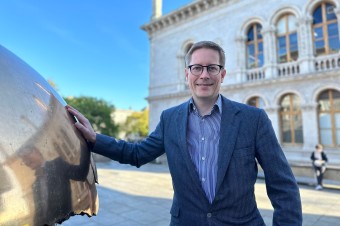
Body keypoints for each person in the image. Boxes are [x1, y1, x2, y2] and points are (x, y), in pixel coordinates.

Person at [67, 41, 302, 225]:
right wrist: (96, 139)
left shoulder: (253, 119)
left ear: (222, 74)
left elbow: (282, 184)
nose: (204, 75)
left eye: (212, 67)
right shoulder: (171, 118)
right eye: (197, 67)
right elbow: (137, 154)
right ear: (187, 73)